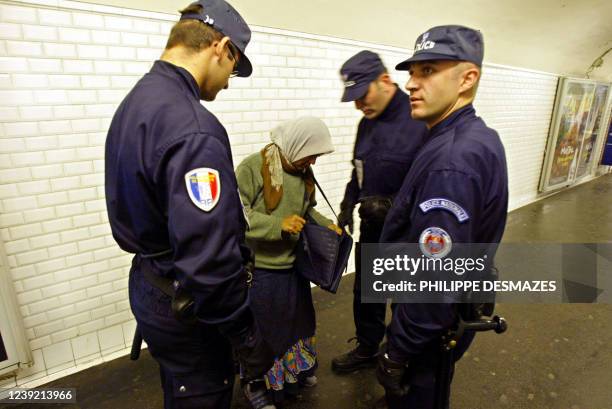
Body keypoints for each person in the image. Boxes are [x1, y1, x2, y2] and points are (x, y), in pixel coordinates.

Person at [104, 1, 274, 408]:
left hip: (149, 280)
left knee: (178, 385)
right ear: (221, 47)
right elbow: (209, 261)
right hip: (185, 300)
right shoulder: (194, 128)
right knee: (201, 391)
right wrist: (245, 334)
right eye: (233, 69)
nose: (228, 83)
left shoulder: (136, 103)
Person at [376, 25, 509, 408]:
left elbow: (435, 277)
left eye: (428, 71)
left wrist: (397, 351)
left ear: (467, 79)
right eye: (412, 73)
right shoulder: (477, 136)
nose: (411, 84)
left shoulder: (451, 160)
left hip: (430, 327)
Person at [332, 51, 428, 373]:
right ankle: (367, 347)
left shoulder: (420, 120)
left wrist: (392, 206)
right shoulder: (366, 125)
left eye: (363, 95)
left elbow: (431, 183)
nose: (360, 105)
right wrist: (348, 203)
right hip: (372, 227)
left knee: (404, 299)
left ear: (385, 80)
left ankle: (400, 358)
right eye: (354, 99)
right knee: (367, 293)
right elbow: (357, 171)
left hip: (408, 234)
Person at [236, 117, 342, 408]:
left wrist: (327, 226)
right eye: (312, 155)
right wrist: (277, 225)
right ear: (297, 146)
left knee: (298, 324)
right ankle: (257, 384)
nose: (314, 163)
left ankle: (296, 370)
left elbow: (307, 212)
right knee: (266, 332)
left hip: (293, 267)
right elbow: (236, 216)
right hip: (262, 271)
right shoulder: (252, 168)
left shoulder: (303, 171)